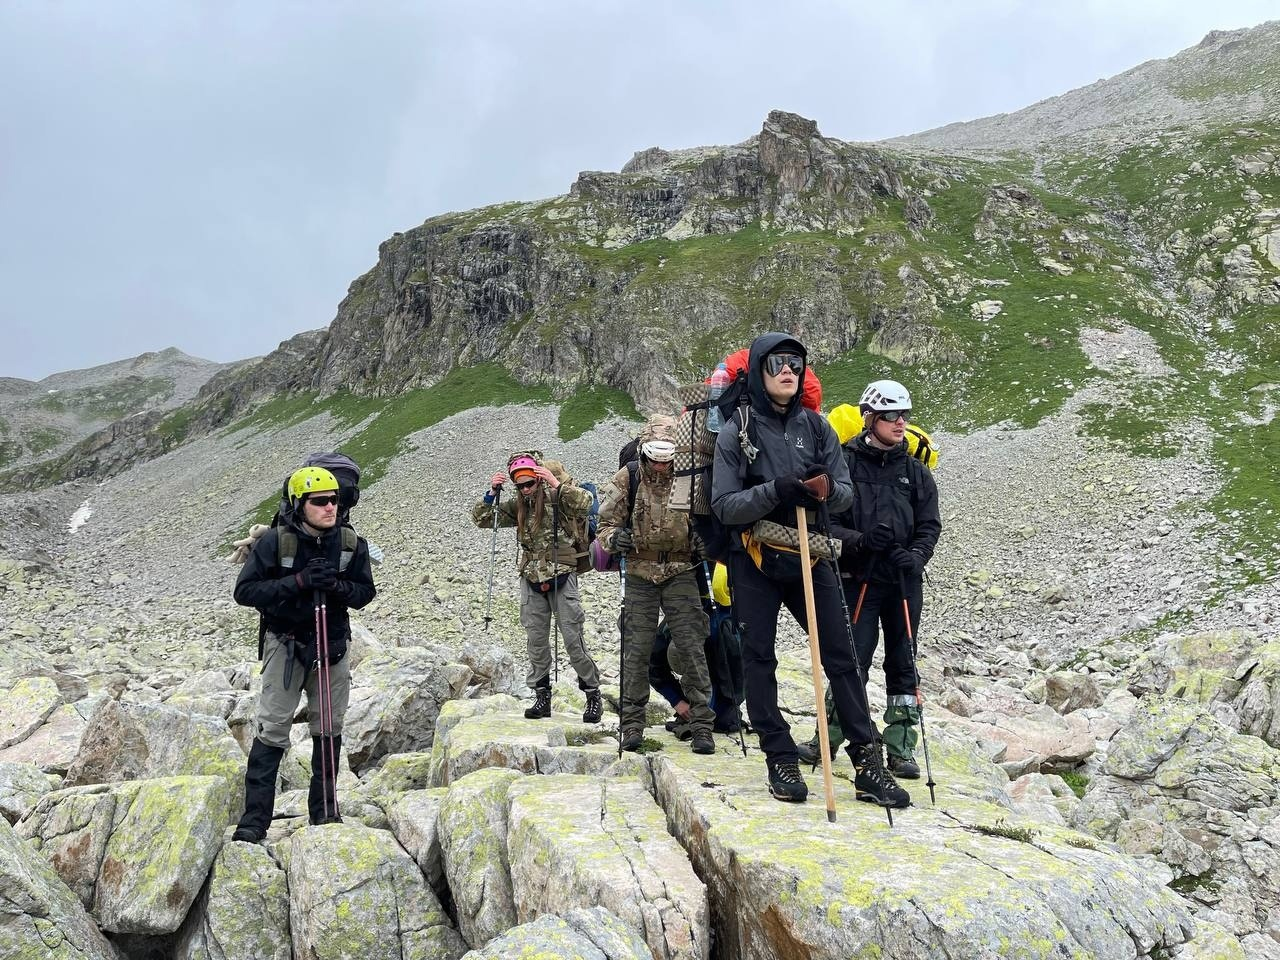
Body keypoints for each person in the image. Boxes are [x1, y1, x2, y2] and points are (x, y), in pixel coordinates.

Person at [710, 332, 909, 807]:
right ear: (758, 368)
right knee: (759, 657)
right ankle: (778, 755)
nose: (788, 371)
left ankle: (867, 763)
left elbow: (845, 492)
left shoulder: (816, 428)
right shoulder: (736, 430)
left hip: (810, 551)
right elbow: (723, 505)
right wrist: (777, 490)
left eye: (796, 365)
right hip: (754, 556)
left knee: (841, 656)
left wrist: (819, 490)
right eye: (778, 362)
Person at [800, 379, 940, 778]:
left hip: (902, 580)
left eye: (905, 415)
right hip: (857, 576)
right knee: (852, 660)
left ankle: (901, 748)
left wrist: (916, 556)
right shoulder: (842, 465)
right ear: (870, 418)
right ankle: (827, 737)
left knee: (903, 661)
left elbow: (929, 524)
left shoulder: (916, 471)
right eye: (892, 416)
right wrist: (860, 542)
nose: (901, 424)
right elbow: (827, 524)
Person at [231, 466, 377, 842]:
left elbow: (364, 594)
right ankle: (253, 823)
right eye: (320, 502)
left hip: (333, 646)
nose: (331, 507)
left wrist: (338, 587)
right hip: (286, 643)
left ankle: (325, 814)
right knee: (273, 729)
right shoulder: (275, 543)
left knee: (328, 729)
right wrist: (298, 583)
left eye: (335, 500)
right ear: (300, 505)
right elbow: (245, 592)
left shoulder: (349, 543)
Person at [599, 416, 716, 754]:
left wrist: (704, 541)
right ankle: (632, 724)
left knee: (692, 644)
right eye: (656, 457)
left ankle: (701, 725)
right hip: (639, 571)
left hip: (681, 568)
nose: (662, 465)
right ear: (644, 451)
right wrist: (614, 538)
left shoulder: (687, 477)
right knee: (636, 649)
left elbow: (705, 520)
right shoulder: (628, 477)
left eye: (668, 457)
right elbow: (604, 524)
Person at [473, 451, 603, 722]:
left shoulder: (559, 498)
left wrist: (557, 485)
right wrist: (491, 493)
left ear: (538, 479)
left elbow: (586, 504)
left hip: (563, 574)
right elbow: (484, 519)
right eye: (520, 485)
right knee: (536, 641)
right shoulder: (517, 505)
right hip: (531, 577)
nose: (526, 489)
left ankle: (592, 694)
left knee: (572, 639)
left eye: (530, 483)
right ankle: (541, 696)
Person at [651, 562, 744, 737]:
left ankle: (714, 707)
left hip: (724, 692)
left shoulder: (728, 631)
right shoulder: (672, 628)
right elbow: (651, 662)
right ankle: (701, 704)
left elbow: (738, 675)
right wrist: (678, 701)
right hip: (690, 607)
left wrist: (707, 710)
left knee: (723, 719)